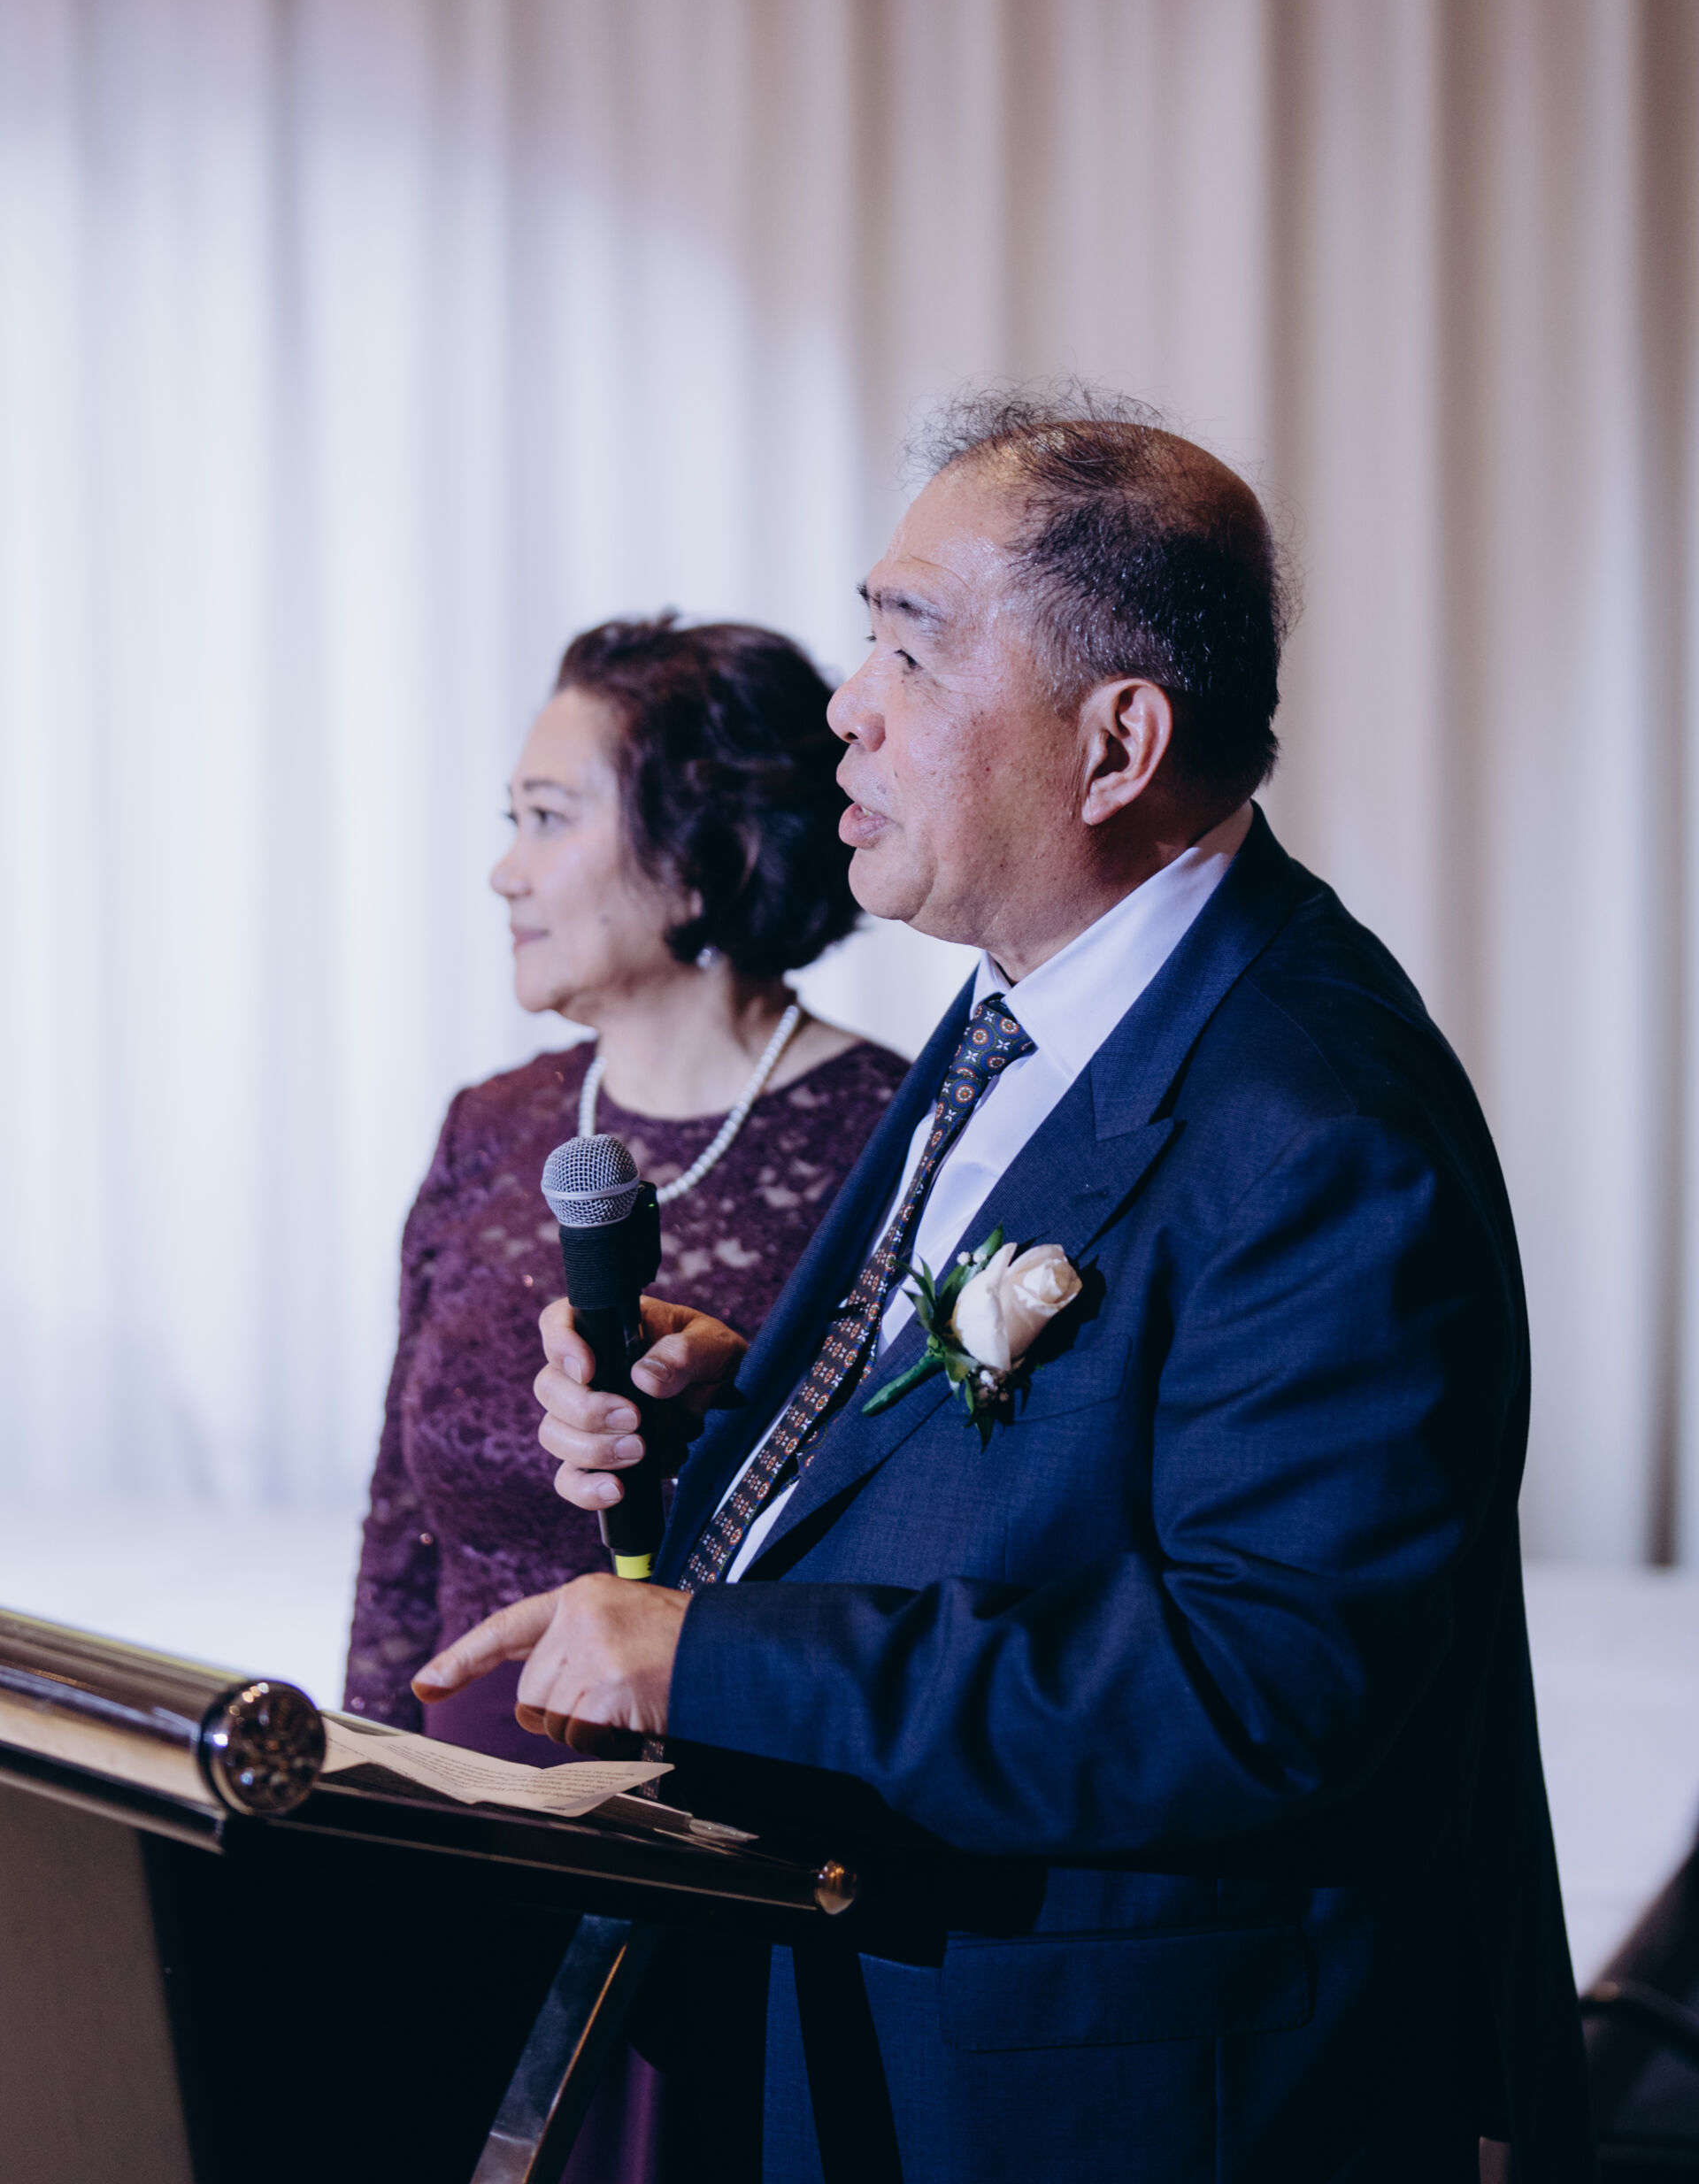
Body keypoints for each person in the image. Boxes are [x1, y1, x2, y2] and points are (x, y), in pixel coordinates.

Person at [417, 396, 1595, 2182]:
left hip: (1114, 2098)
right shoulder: (1028, 1002)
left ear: (1116, 742)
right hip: (879, 2007)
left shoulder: (1318, 1118)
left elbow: (1264, 1682)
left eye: (913, 646)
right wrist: (741, 1409)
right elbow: (1043, 1475)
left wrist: (714, 1658)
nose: (848, 705)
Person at [344, 614, 909, 1757]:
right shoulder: (490, 1126)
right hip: (459, 1800)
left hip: (732, 1804)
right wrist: (351, 1783)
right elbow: (399, 1535)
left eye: (549, 819)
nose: (505, 871)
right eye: (512, 821)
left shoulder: (894, 1136)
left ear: (708, 855)